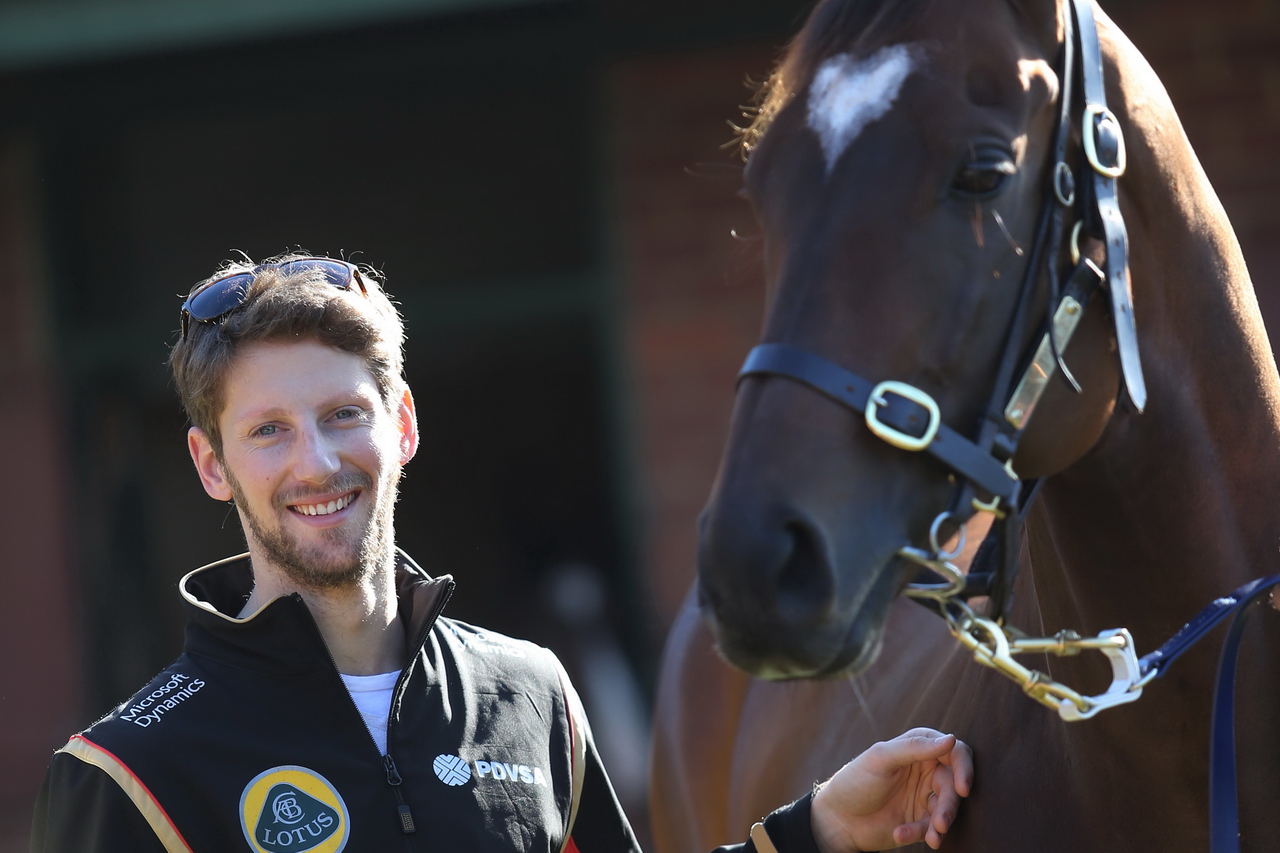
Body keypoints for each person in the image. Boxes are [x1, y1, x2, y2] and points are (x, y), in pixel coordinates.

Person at [31, 255, 973, 852]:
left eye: (342, 415)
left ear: (399, 426)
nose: (315, 461)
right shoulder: (127, 775)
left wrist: (816, 831)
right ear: (211, 464)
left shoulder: (530, 693)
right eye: (269, 430)